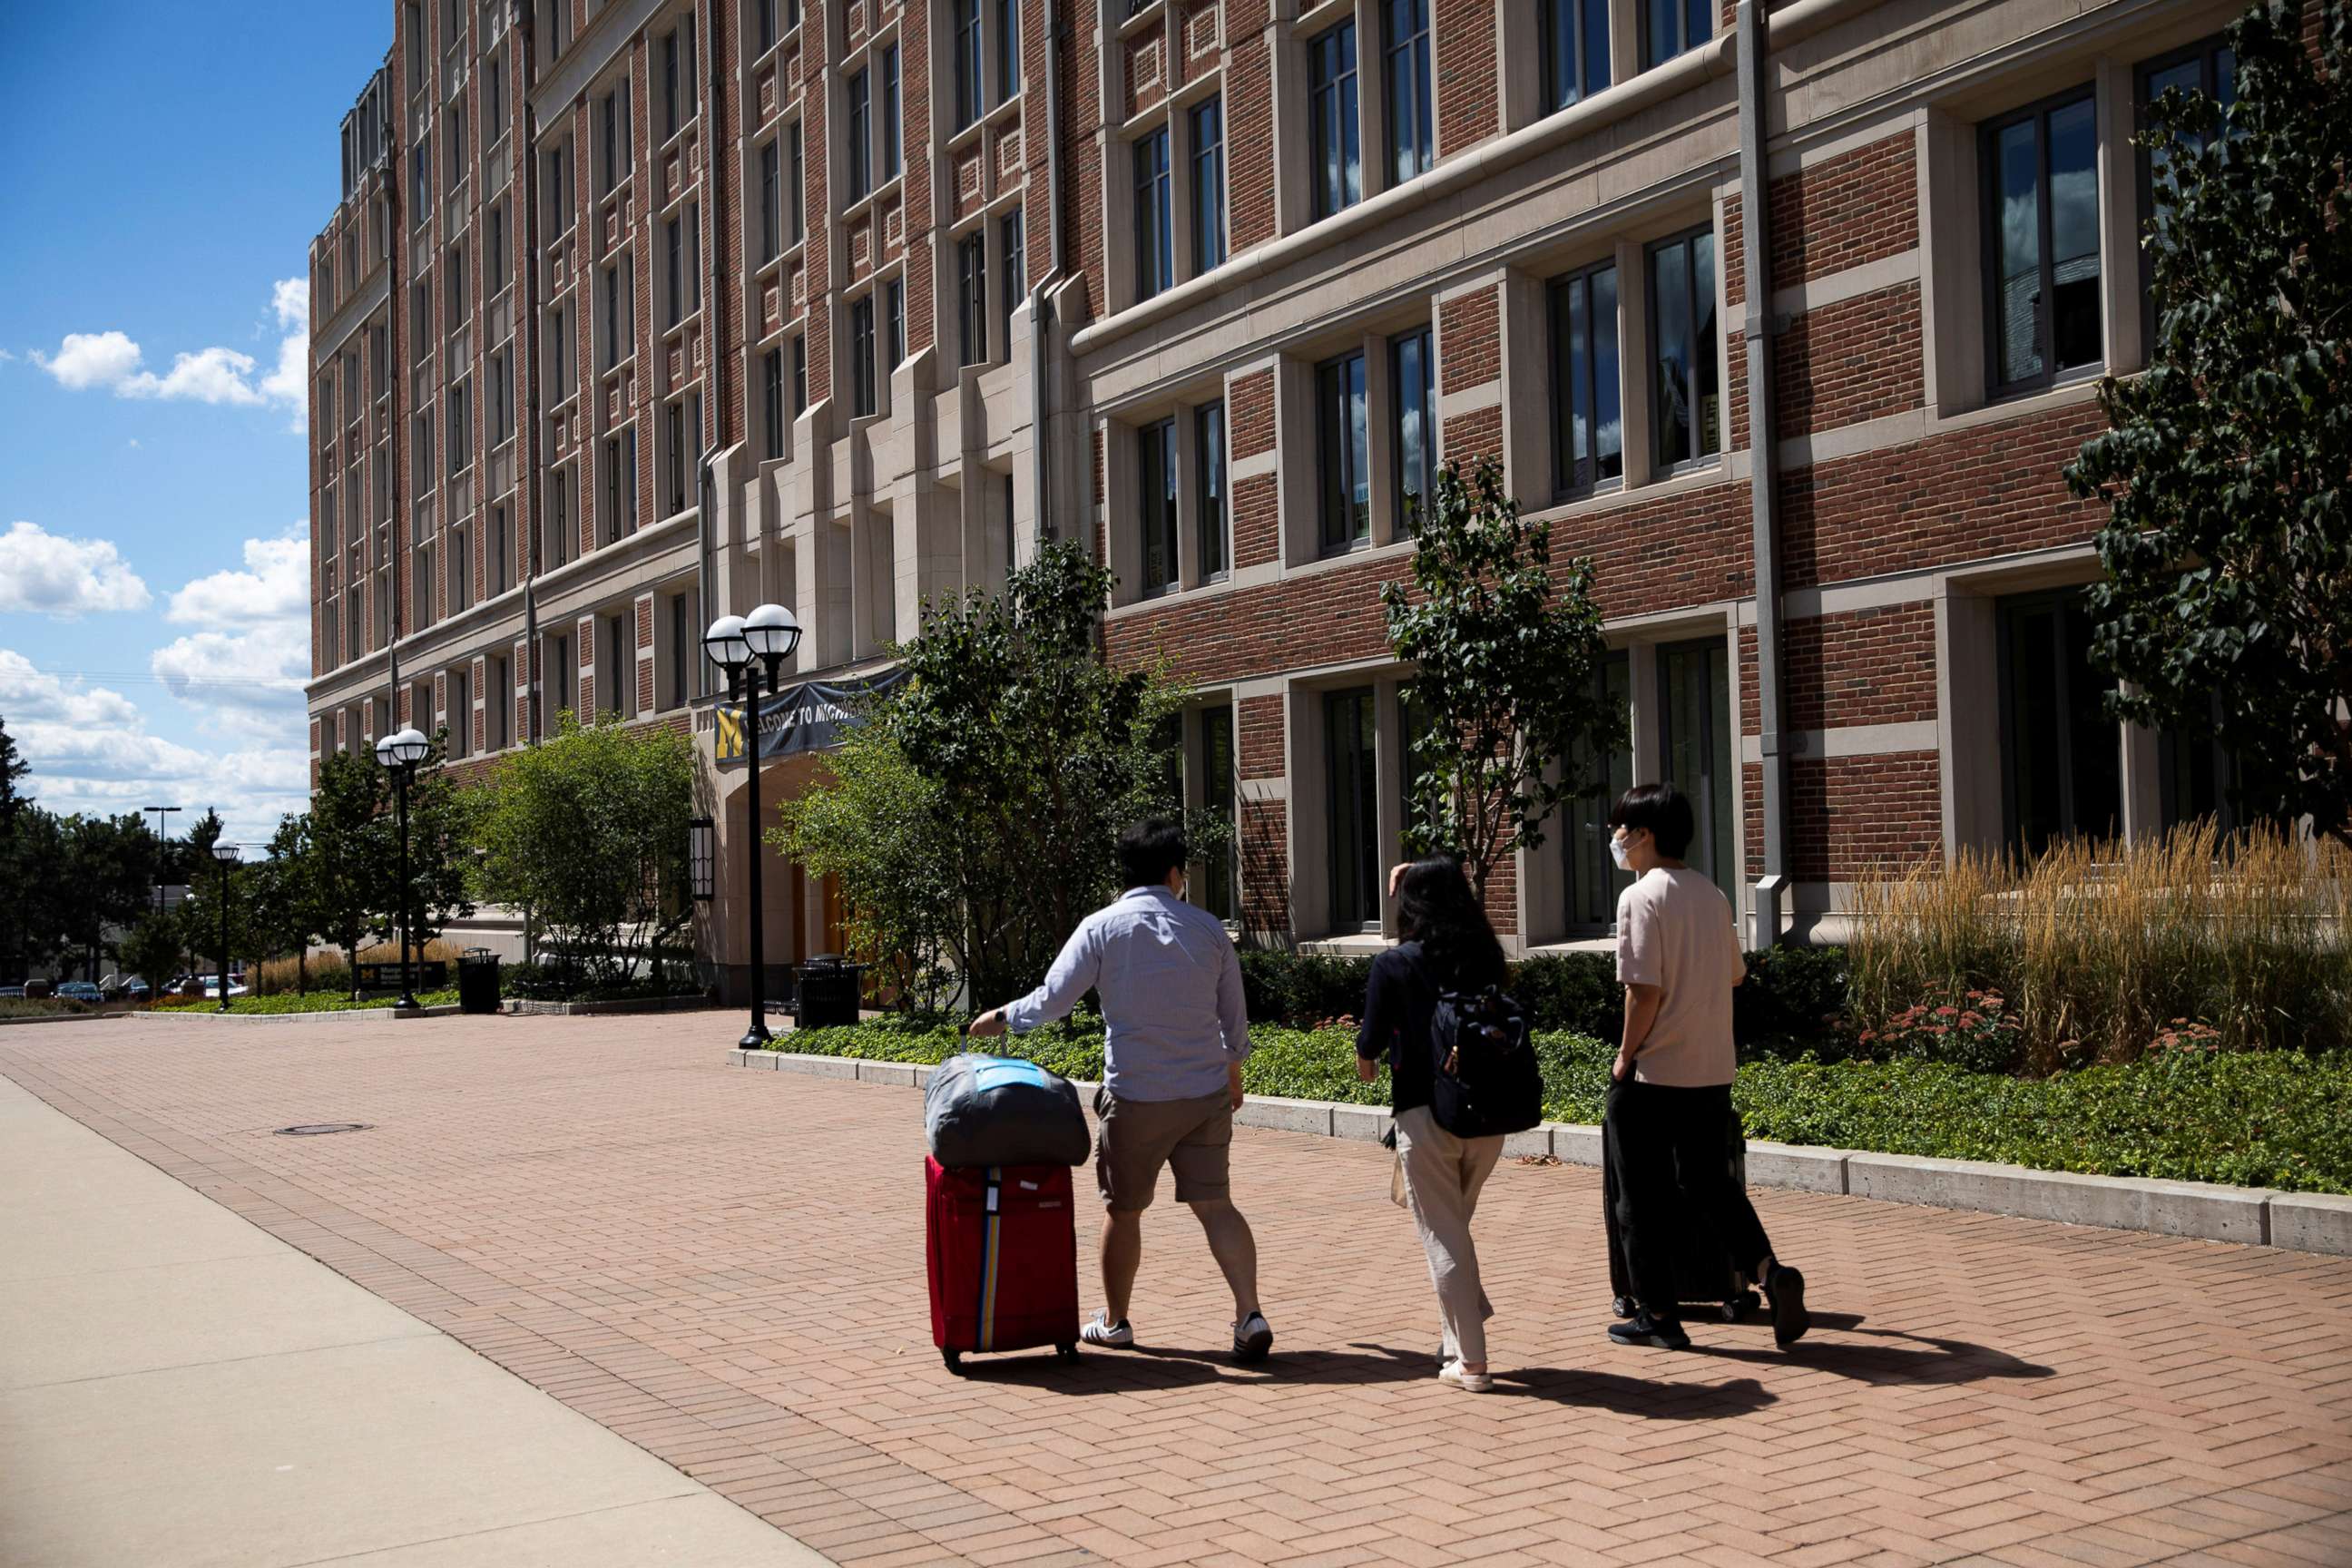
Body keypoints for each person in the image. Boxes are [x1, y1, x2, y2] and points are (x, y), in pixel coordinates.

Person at [968, 818, 1274, 1362]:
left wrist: (1001, 1017)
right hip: (1204, 1093)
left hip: (1136, 1095)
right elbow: (1234, 1021)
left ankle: (1116, 1322)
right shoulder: (1208, 930)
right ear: (1176, 873)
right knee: (1216, 1204)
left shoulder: (1101, 927)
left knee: (1125, 1210)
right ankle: (1249, 1315)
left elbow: (1053, 1000)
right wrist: (1233, 1072)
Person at [1603, 782, 1809, 1351]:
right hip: (1711, 1069)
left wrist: (1625, 1057)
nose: (1617, 837)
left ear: (1645, 834)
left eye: (1623, 827)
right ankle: (1771, 1274)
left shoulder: (1641, 897)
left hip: (1653, 1075)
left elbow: (1642, 991)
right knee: (1709, 1185)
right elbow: (1735, 974)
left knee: (1638, 1199)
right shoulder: (1711, 894)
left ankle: (1660, 1317)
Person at [1356, 855, 1511, 1394]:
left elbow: (1370, 1041)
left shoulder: (1395, 964)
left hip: (1426, 1115)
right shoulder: (1485, 956)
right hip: (1490, 1114)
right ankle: (1455, 1338)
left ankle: (1472, 1362)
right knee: (1454, 1229)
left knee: (1443, 1236)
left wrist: (1366, 1056)